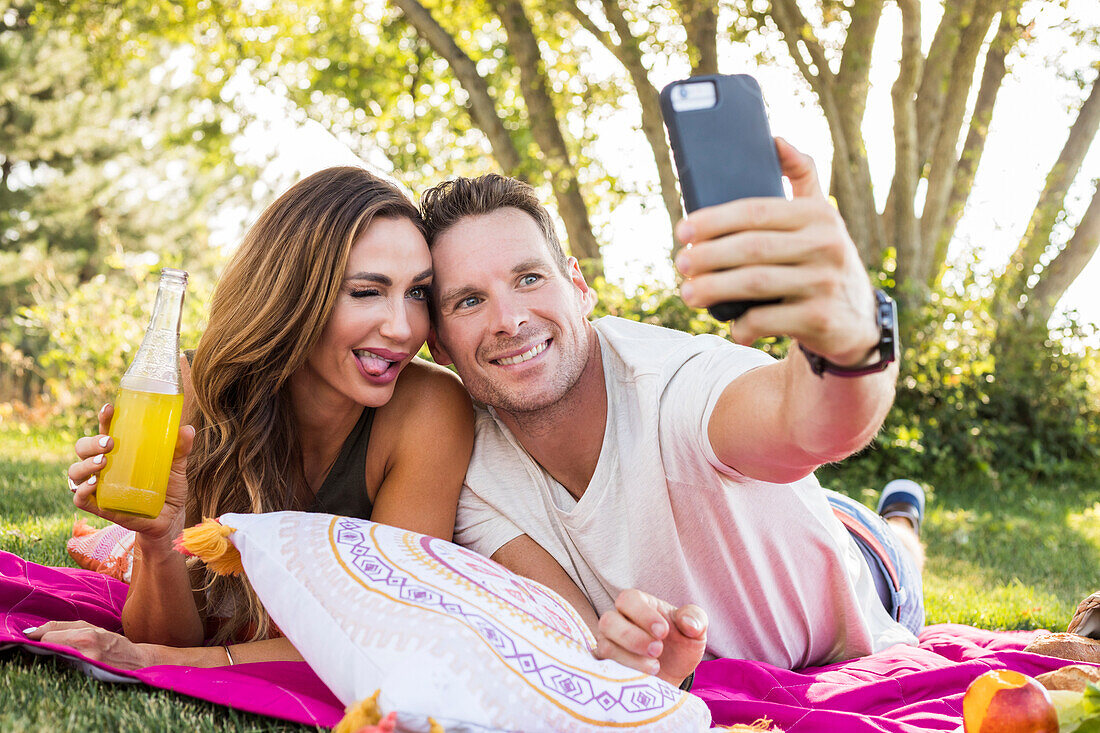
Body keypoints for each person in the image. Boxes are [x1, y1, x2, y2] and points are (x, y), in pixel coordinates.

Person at [419, 138, 926, 687]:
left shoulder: (676, 383)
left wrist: (849, 340)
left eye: (529, 278)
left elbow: (809, 426)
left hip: (864, 566)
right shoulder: (472, 469)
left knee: (895, 544)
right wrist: (636, 662)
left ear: (579, 288)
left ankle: (899, 518)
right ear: (440, 348)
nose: (509, 319)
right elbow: (584, 645)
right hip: (753, 519)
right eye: (468, 301)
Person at [27, 167, 474, 668]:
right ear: (294, 293)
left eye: (417, 293)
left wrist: (157, 660)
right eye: (366, 291)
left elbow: (388, 630)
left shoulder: (430, 407)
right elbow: (168, 633)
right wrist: (156, 540)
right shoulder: (201, 390)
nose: (401, 327)